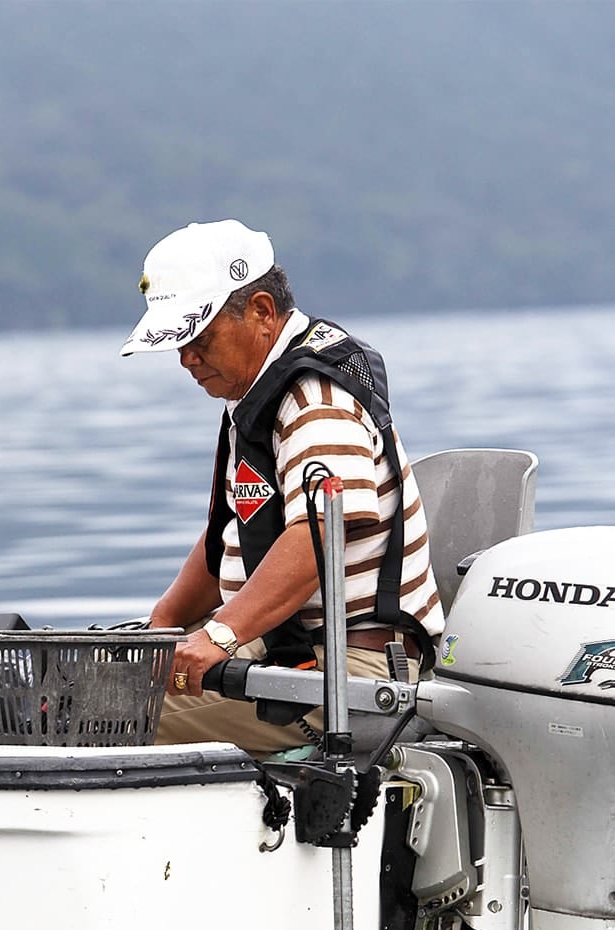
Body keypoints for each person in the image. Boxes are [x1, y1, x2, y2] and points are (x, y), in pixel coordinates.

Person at [121, 219, 443, 759]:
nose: (186, 359)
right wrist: (161, 627)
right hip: (289, 654)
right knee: (83, 685)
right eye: (178, 343)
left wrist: (218, 637)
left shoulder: (314, 398)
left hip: (353, 673)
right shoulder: (254, 395)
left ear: (263, 312)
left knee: (104, 717)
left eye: (198, 338)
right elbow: (227, 535)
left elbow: (323, 531)